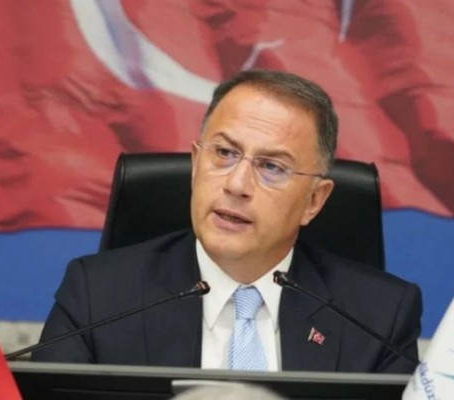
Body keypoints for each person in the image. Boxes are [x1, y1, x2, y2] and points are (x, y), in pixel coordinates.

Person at [31, 69, 422, 373]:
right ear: (195, 163)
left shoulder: (379, 318)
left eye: (272, 167)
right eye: (224, 153)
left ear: (314, 201)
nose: (237, 185)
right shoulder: (98, 297)